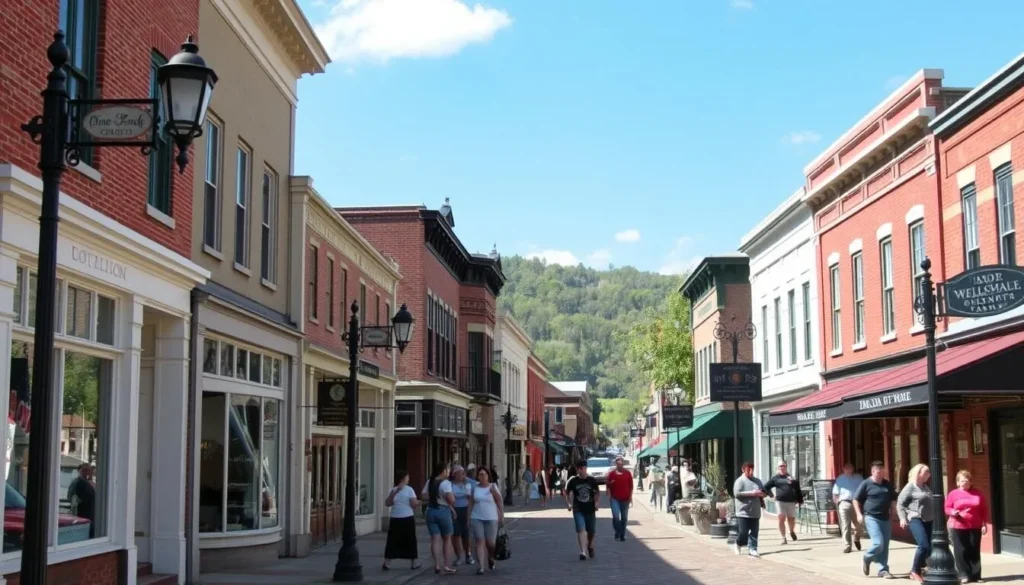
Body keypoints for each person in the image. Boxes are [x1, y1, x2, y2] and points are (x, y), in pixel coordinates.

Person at [853, 461, 897, 579]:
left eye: (883, 471)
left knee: (885, 546)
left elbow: (893, 498)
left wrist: (893, 511)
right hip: (871, 517)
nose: (881, 473)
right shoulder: (866, 483)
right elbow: (855, 499)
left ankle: (883, 570)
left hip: (885, 518)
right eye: (878, 471)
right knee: (878, 543)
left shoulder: (887, 484)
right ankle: (867, 557)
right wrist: (858, 514)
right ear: (873, 471)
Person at [946, 470, 989, 584]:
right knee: (961, 550)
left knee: (974, 549)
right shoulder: (953, 494)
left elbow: (983, 510)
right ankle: (963, 574)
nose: (964, 482)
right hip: (958, 525)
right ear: (958, 482)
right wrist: (953, 512)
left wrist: (984, 524)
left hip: (975, 525)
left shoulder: (978, 493)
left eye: (967, 480)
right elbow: (947, 508)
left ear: (970, 482)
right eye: (962, 480)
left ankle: (976, 575)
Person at [897, 464, 934, 582]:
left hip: (928, 519)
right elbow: (900, 503)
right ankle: (914, 571)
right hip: (915, 518)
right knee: (923, 545)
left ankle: (923, 567)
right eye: (926, 472)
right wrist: (902, 518)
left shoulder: (925, 487)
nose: (928, 475)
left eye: (929, 472)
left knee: (929, 547)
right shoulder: (910, 487)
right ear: (918, 473)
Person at [422, 463, 457, 575]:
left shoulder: (429, 481)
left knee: (435, 539)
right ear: (443, 471)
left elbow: (423, 495)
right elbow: (451, 499)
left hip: (430, 511)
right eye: (448, 469)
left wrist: (433, 496)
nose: (449, 471)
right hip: (443, 511)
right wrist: (449, 499)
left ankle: (437, 564)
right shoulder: (446, 483)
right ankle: (447, 565)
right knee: (447, 539)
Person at [383, 470, 421, 571]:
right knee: (410, 540)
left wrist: (394, 493)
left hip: (395, 518)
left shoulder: (394, 489)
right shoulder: (408, 490)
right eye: (407, 477)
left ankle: (387, 562)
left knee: (392, 540)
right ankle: (414, 562)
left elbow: (388, 503)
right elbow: (413, 503)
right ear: (403, 478)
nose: (409, 479)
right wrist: (419, 502)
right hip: (407, 517)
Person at [468, 467, 504, 575]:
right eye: (480, 474)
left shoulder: (492, 487)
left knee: (491, 543)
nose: (482, 476)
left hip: (491, 518)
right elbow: (471, 502)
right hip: (476, 517)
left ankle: (491, 557)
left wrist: (501, 515)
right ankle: (481, 567)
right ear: (477, 476)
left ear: (488, 475)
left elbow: (499, 500)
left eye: (484, 474)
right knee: (479, 540)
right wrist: (468, 516)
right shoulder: (475, 487)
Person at [565, 459, 600, 560]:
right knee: (581, 530)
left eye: (583, 468)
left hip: (590, 509)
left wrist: (596, 503)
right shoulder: (573, 481)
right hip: (578, 509)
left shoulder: (592, 480)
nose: (582, 470)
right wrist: (569, 503)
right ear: (577, 469)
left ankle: (589, 546)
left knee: (591, 531)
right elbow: (566, 492)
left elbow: (597, 492)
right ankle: (583, 551)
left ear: (586, 468)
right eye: (580, 469)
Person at [763, 460, 803, 544]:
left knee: (791, 519)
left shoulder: (791, 477)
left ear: (786, 467)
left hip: (791, 501)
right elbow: (766, 487)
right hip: (780, 501)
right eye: (780, 466)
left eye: (783, 466)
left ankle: (791, 531)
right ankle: (783, 538)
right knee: (781, 518)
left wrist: (800, 499)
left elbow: (797, 489)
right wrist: (771, 495)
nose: (782, 468)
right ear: (778, 468)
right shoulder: (775, 478)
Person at [732, 461, 766, 558]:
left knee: (754, 532)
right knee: (743, 532)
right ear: (743, 470)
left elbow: (764, 492)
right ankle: (738, 543)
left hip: (755, 511)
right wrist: (752, 493)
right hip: (743, 512)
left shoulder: (757, 481)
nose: (751, 472)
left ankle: (753, 549)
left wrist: (761, 494)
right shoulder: (740, 481)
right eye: (748, 470)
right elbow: (737, 494)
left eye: (752, 470)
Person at [833, 462, 864, 553]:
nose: (848, 470)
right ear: (844, 469)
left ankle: (856, 537)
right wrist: (837, 502)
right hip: (844, 503)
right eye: (846, 468)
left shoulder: (858, 478)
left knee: (859, 524)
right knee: (845, 525)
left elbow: (864, 489)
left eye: (850, 468)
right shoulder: (840, 479)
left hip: (856, 503)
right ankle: (847, 546)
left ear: (853, 469)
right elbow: (835, 492)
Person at [448, 465, 476, 566]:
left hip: (465, 510)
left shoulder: (467, 484)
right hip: (454, 510)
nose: (462, 475)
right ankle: (459, 557)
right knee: (455, 534)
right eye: (460, 473)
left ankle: (468, 554)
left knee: (466, 533)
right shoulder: (450, 485)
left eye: (463, 473)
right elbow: (448, 498)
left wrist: (469, 513)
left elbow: (471, 499)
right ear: (454, 474)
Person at [606, 456, 633, 541]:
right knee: (616, 517)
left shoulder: (627, 473)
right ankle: (618, 531)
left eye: (621, 464)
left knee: (624, 517)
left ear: (623, 464)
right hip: (615, 499)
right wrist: (609, 487)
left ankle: (622, 534)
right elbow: (607, 484)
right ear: (616, 464)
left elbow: (631, 486)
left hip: (625, 499)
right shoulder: (612, 474)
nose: (620, 465)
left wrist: (630, 497)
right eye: (618, 464)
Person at [67, 463, 96, 538]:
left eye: (89, 470)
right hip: (83, 514)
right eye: (84, 470)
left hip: (92, 513)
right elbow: (71, 497)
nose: (87, 472)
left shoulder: (90, 483)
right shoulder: (77, 482)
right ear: (79, 471)